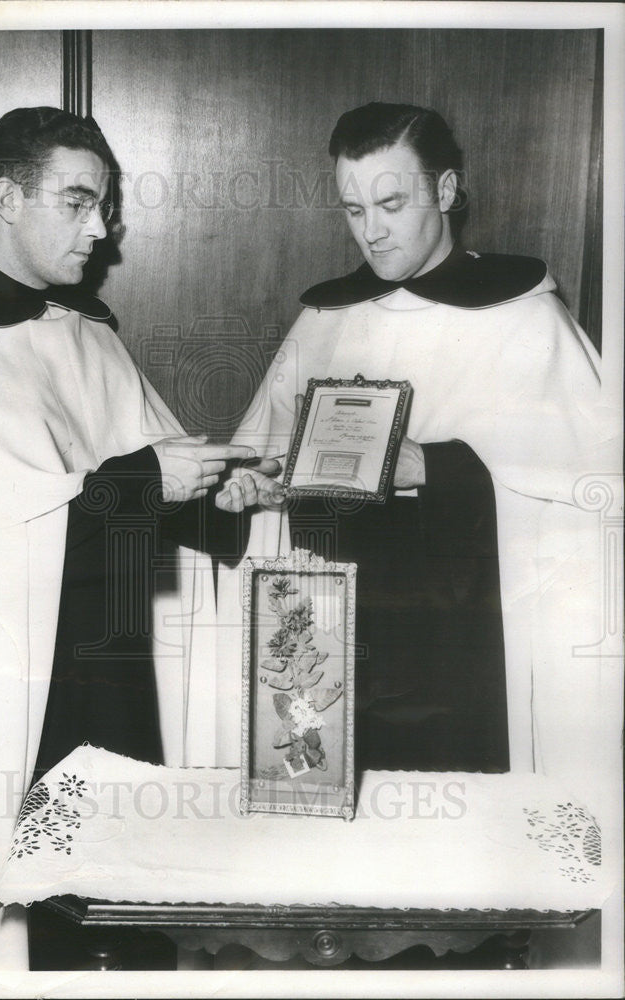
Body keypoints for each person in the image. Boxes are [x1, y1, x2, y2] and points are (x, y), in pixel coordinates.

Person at [0, 106, 276, 974]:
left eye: (103, 205)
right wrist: (150, 481)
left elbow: (141, 490)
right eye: (77, 203)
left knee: (121, 923)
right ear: (6, 198)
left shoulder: (86, 336)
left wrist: (227, 497)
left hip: (113, 679)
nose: (99, 229)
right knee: (37, 944)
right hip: (2, 703)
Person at [216, 103, 607, 786]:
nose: (372, 231)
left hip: (457, 632)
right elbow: (270, 451)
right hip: (331, 628)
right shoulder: (324, 318)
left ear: (446, 192)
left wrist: (431, 464)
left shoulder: (524, 319)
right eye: (353, 209)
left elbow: (588, 490)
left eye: (391, 203)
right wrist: (255, 483)